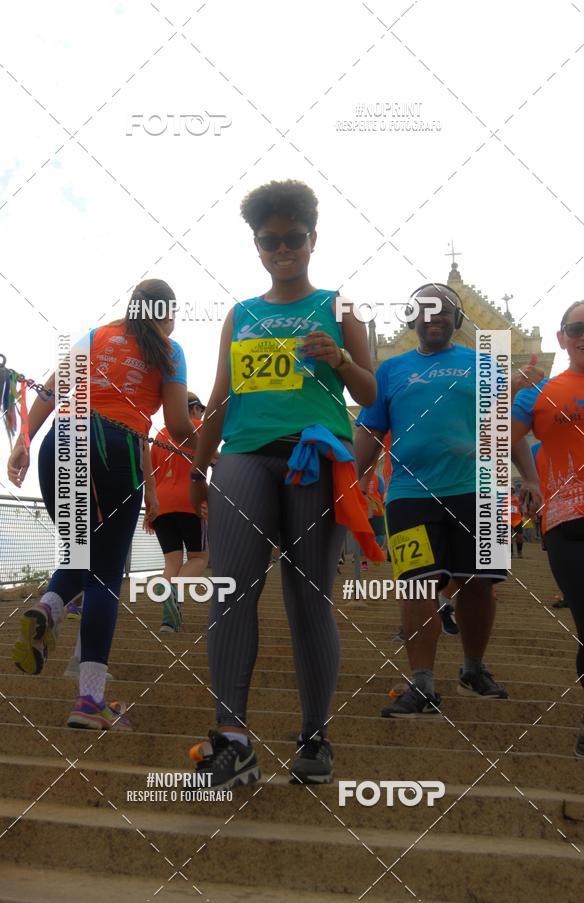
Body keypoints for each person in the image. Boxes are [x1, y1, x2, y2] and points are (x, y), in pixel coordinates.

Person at [187, 180, 376, 789]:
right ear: (258, 247)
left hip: (314, 455)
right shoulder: (241, 314)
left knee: (307, 599)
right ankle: (233, 740)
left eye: (294, 238)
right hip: (242, 455)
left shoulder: (342, 308)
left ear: (313, 240)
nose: (282, 249)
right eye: (270, 241)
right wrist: (198, 467)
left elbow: (375, 399)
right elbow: (219, 396)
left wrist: (342, 362)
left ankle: (315, 735)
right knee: (229, 593)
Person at [7, 279, 197, 730]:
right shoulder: (170, 350)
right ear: (166, 314)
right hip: (115, 447)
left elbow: (51, 391)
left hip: (60, 442)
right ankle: (87, 697)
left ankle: (49, 608)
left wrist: (23, 440)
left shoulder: (96, 336)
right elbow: (176, 422)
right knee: (106, 574)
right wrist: (215, 451)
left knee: (81, 554)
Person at [355, 283, 512, 717]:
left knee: (480, 584)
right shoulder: (390, 370)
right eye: (424, 311)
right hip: (408, 493)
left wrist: (529, 479)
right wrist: (350, 479)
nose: (434, 317)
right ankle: (422, 683)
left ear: (456, 320)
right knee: (415, 584)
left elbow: (504, 428)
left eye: (443, 310)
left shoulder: (487, 364)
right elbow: (369, 429)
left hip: (481, 489)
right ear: (412, 320)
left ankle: (473, 669)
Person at [512, 300, 584, 757]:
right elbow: (492, 441)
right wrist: (507, 391)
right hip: (568, 525)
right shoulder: (537, 394)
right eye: (576, 328)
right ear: (561, 338)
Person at [148, 393, 209, 632]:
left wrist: (149, 510)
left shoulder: (160, 435)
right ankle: (175, 592)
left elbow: (151, 476)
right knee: (199, 558)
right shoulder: (199, 428)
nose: (202, 415)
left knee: (171, 561)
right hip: (191, 501)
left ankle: (168, 621)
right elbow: (213, 459)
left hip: (161, 505)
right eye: (200, 410)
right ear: (193, 410)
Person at [510, 487, 524, 558]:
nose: (510, 489)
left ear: (513, 490)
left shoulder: (517, 498)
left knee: (520, 536)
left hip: (517, 520)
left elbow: (521, 508)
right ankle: (511, 553)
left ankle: (519, 551)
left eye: (511, 488)